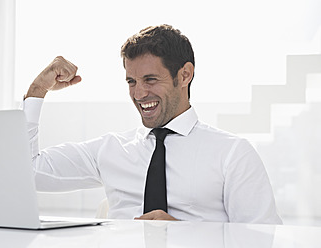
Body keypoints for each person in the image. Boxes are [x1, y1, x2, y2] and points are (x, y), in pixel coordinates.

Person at [22, 24, 282, 223]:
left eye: (150, 80)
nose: (138, 94)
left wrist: (186, 236)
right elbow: (28, 172)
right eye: (131, 82)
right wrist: (37, 90)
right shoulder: (111, 150)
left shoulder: (233, 154)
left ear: (184, 75)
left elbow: (264, 238)